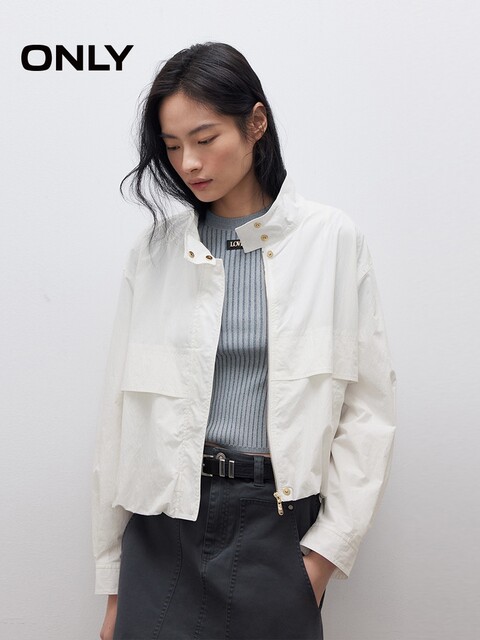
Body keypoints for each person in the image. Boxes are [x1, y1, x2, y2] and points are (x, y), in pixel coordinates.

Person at [92, 41, 396, 640]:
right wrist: (114, 585)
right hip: (161, 527)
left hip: (276, 528)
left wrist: (321, 560)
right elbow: (118, 419)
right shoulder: (154, 252)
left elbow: (368, 412)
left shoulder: (331, 240)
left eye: (205, 139)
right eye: (172, 146)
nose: (189, 163)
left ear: (255, 123)